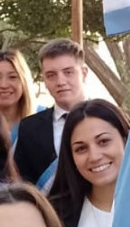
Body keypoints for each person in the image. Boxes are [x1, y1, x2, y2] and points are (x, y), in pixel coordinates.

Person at [47, 100, 130, 227]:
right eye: (81, 148)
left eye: (103, 141)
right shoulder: (53, 214)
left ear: (125, 139)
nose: (94, 156)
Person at [13, 40, 88, 189]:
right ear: (44, 80)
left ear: (84, 73)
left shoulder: (108, 118)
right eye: (51, 75)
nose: (60, 81)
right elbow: (24, 184)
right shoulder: (29, 128)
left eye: (68, 72)